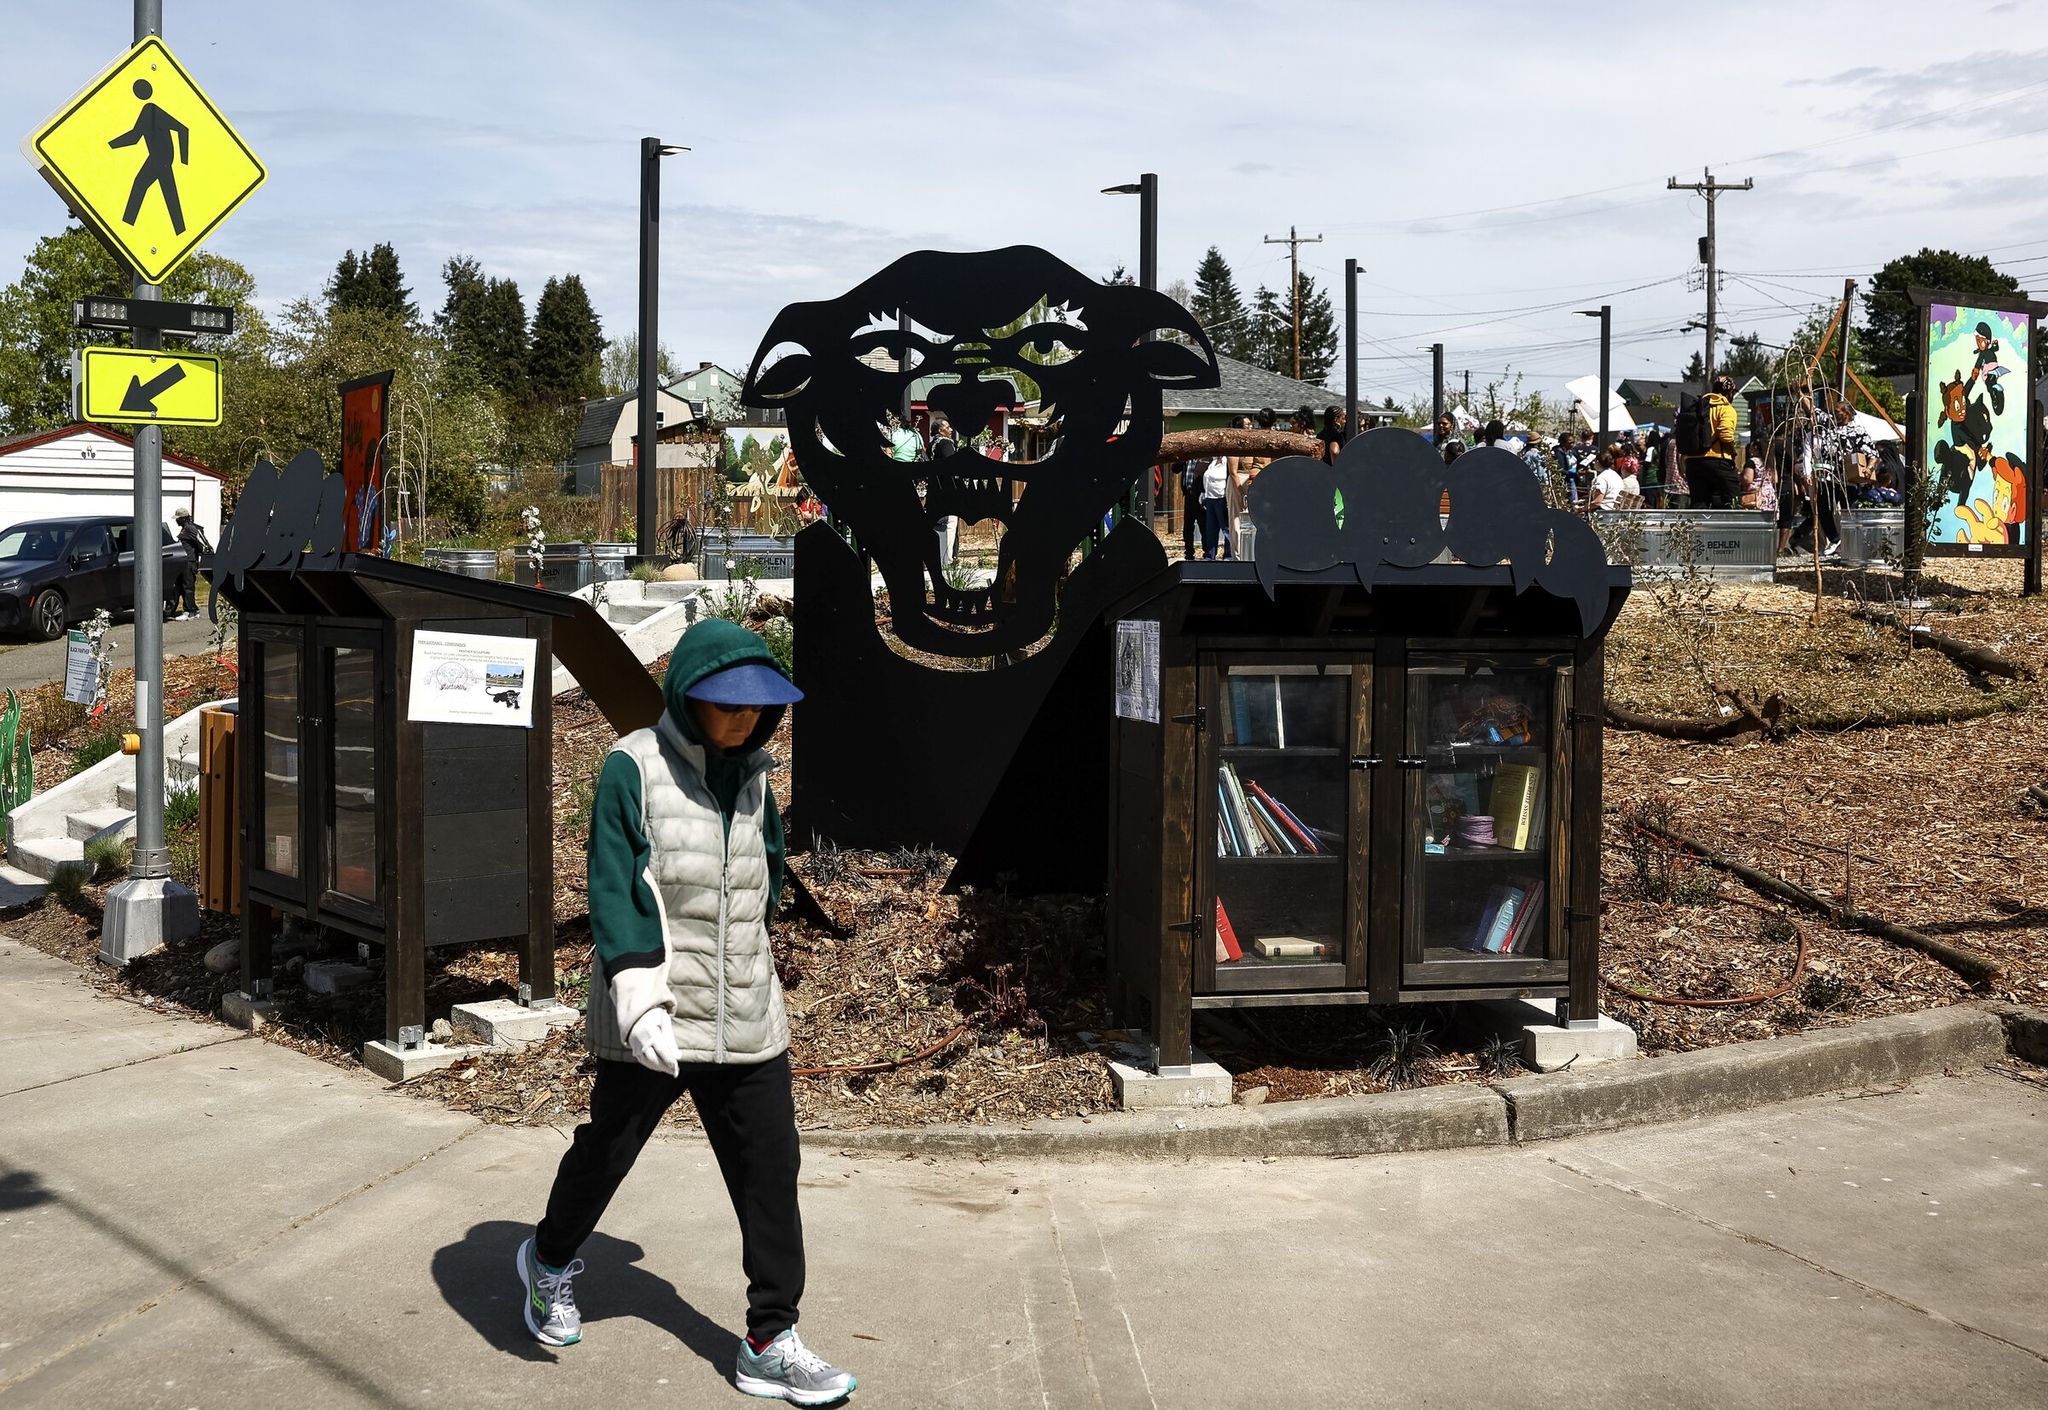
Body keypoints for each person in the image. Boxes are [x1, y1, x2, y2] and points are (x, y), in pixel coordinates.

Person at [517, 619, 857, 1406]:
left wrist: (751, 957)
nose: (743, 719)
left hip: (745, 1016)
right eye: (726, 705)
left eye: (757, 708)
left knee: (772, 1175)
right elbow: (617, 885)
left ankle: (771, 1339)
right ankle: (547, 1260)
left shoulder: (757, 776)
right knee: (607, 1152)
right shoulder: (632, 767)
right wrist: (639, 998)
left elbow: (768, 873)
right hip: (656, 1015)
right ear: (687, 697)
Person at [1689, 375, 1742, 508]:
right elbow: (1725, 436)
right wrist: (1733, 452)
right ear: (1729, 392)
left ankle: (1698, 528)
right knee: (1733, 502)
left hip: (1693, 462)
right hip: (1718, 461)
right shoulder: (1726, 409)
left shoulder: (1698, 407)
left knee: (1699, 505)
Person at [171, 507, 209, 620]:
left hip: (190, 562)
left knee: (188, 587)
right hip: (184, 562)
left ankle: (190, 612)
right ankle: (190, 609)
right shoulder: (184, 528)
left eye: (177, 519)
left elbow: (203, 543)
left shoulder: (190, 528)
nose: (176, 521)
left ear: (183, 518)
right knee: (182, 587)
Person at [1196, 454, 1232, 559]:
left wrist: (1227, 497)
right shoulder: (1212, 462)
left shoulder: (1227, 463)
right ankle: (1210, 555)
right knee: (1211, 529)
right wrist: (1203, 493)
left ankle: (1228, 555)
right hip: (1209, 498)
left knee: (1225, 528)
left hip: (1221, 498)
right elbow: (1206, 478)